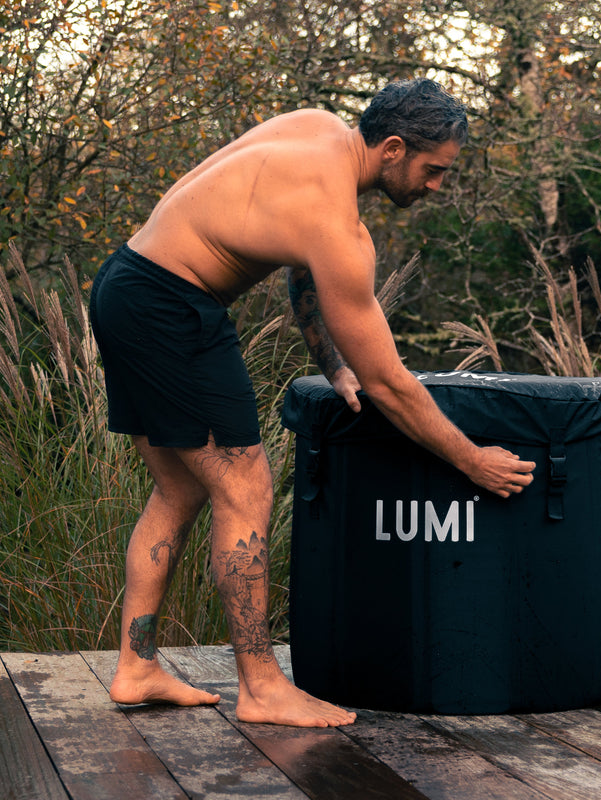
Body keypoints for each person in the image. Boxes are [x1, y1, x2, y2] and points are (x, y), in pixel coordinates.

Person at [89, 78, 536, 728]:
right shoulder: (340, 229)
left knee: (179, 491)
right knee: (247, 488)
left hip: (124, 283)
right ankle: (263, 686)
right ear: (392, 148)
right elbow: (392, 385)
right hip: (172, 306)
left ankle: (137, 667)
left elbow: (298, 262)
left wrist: (332, 364)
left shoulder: (313, 130)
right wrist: (472, 461)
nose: (437, 185)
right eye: (434, 170)